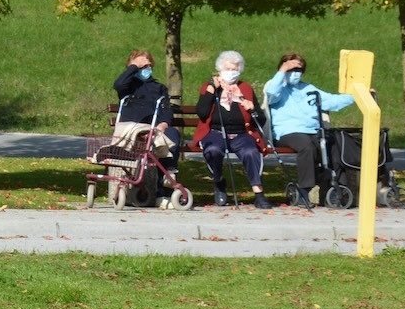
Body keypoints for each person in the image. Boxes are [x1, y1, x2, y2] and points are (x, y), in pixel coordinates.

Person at [265, 52, 355, 210]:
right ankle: (304, 190)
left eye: (298, 70)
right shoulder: (277, 87)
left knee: (335, 143)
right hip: (288, 131)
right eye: (291, 69)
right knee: (307, 146)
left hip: (312, 130)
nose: (295, 73)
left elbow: (331, 100)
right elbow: (271, 93)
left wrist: (357, 96)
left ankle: (334, 187)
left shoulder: (308, 88)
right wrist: (282, 71)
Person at [195, 50, 269, 208]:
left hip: (241, 134)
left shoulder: (246, 89)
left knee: (251, 152)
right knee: (213, 150)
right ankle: (219, 182)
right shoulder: (210, 87)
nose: (231, 73)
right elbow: (201, 113)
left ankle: (259, 193)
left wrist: (253, 110)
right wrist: (210, 89)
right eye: (227, 69)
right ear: (219, 70)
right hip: (215, 132)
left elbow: (260, 121)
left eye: (234, 69)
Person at [111, 48, 180, 181]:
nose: (144, 68)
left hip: (153, 128)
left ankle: (167, 176)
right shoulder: (128, 86)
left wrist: (163, 125)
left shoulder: (159, 88)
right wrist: (134, 67)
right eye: (141, 66)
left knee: (172, 135)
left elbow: (166, 111)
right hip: (132, 129)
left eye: (147, 65)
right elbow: (118, 84)